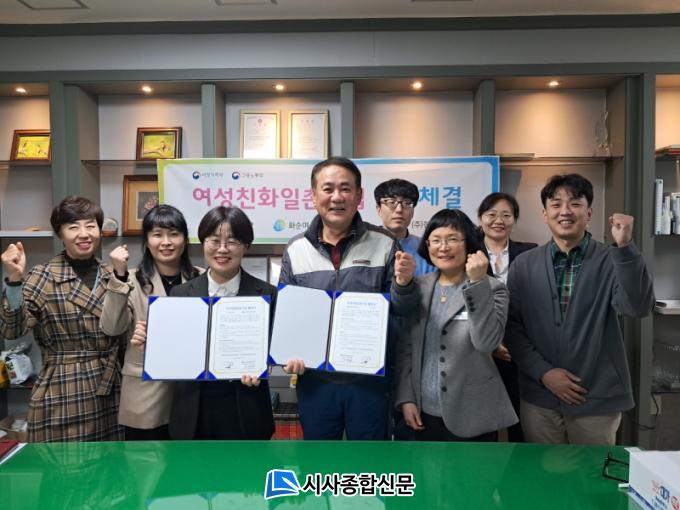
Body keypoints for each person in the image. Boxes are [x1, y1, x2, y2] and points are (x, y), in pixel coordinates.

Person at [506, 173, 654, 445]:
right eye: (556, 204)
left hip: (596, 396)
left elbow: (637, 307)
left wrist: (625, 247)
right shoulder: (524, 265)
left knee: (592, 471)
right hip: (540, 397)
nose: (565, 211)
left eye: (575, 203)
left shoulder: (612, 259)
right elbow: (512, 329)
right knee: (543, 469)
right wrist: (544, 373)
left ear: (589, 213)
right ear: (544, 214)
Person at [280, 156, 417, 440]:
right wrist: (287, 354)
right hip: (315, 381)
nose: (337, 197)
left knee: (369, 460)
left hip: (369, 381)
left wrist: (403, 285)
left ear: (359, 195)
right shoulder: (296, 249)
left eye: (345, 188)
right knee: (318, 459)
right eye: (328, 188)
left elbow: (402, 310)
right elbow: (286, 316)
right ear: (313, 195)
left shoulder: (384, 243)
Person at [129, 206, 276, 440]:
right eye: (214, 240)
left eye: (232, 241)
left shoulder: (267, 294)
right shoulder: (180, 293)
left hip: (247, 409)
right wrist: (153, 345)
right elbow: (173, 354)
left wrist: (265, 365)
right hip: (192, 412)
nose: (222, 249)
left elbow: (273, 351)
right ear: (202, 243)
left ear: (246, 245)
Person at [0, 196, 124, 442]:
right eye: (73, 227)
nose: (84, 234)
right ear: (60, 234)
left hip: (111, 386)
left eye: (90, 226)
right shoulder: (43, 276)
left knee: (111, 462)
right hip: (63, 388)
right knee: (66, 462)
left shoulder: (113, 274)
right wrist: (14, 280)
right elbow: (12, 330)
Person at [394, 209, 517, 441]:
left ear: (468, 243)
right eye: (436, 240)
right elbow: (406, 348)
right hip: (423, 411)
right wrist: (406, 397)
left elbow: (486, 343)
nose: (443, 247)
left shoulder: (493, 288)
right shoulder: (419, 287)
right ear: (427, 245)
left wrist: (477, 283)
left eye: (452, 239)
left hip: (473, 414)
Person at [100, 204, 201, 440]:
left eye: (174, 234)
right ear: (146, 241)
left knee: (192, 461)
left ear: (185, 240)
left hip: (193, 392)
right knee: (145, 462)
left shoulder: (201, 276)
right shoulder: (129, 279)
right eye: (157, 235)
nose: (166, 242)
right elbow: (112, 327)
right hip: (146, 393)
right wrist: (119, 276)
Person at [477, 192, 537, 442]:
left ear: (514, 220)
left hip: (519, 348)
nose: (498, 220)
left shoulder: (530, 253)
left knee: (520, 422)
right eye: (491, 214)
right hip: (479, 351)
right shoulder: (468, 253)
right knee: (483, 423)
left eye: (506, 215)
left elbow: (535, 304)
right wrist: (491, 343)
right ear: (480, 219)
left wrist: (513, 342)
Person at [374, 178, 435, 277]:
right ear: (379, 209)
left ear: (413, 211)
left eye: (407, 203)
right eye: (391, 202)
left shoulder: (426, 249)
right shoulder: (362, 245)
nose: (399, 209)